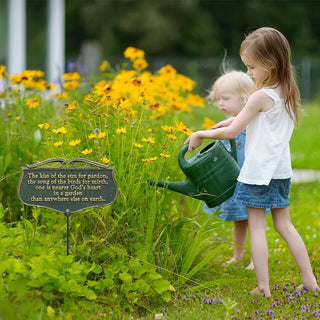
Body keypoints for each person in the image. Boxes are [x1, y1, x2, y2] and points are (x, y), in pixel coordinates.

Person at [184, 27, 319, 297]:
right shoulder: (287, 91)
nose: (249, 73)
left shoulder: (259, 95)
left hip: (257, 173)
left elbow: (232, 132)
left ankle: (263, 287)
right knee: (285, 226)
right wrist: (229, 120)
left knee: (257, 226)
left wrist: (200, 133)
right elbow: (252, 122)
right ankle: (310, 281)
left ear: (269, 63)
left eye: (251, 67)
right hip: (280, 172)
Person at [203, 70, 256, 270]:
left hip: (250, 179)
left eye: (225, 98)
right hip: (234, 181)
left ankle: (255, 259)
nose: (220, 104)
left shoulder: (250, 122)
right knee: (239, 220)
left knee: (254, 221)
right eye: (219, 99)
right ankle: (238, 255)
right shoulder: (230, 123)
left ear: (244, 99)